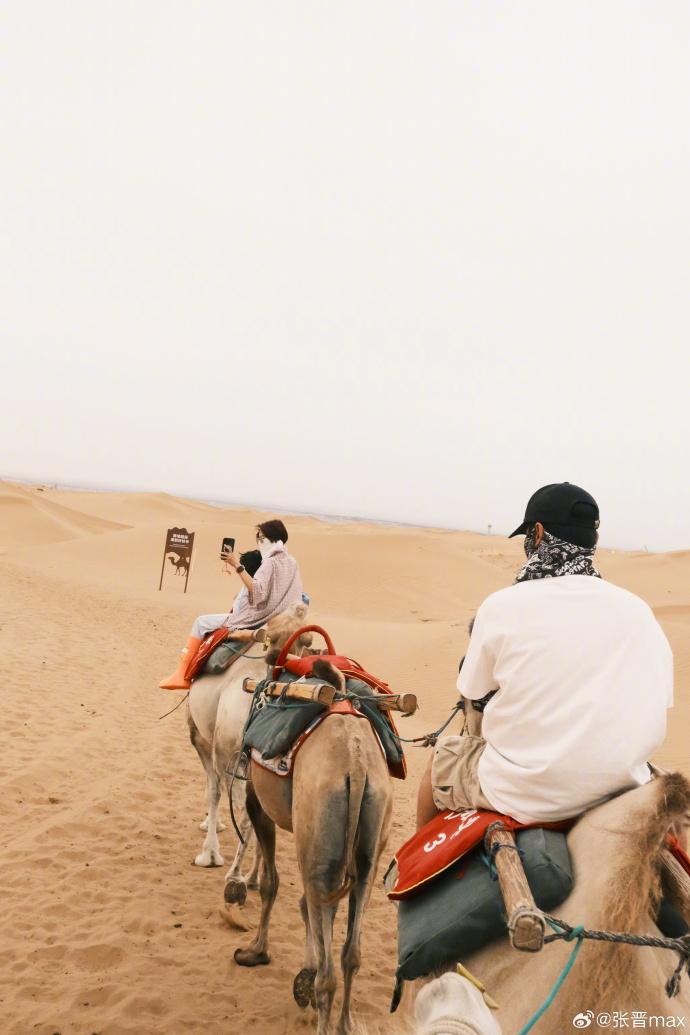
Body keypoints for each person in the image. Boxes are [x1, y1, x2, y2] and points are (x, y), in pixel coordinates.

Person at [416, 482, 674, 829]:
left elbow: (474, 691)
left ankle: (412, 879)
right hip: (623, 789)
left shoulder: (502, 605)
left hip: (521, 792)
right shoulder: (638, 610)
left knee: (438, 765)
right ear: (592, 541)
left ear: (536, 534)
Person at [159, 519, 304, 690]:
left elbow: (258, 594)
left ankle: (182, 674)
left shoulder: (269, 562)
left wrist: (236, 565)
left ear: (272, 538)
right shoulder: (291, 561)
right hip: (281, 621)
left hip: (257, 619)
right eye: (258, 537)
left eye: (262, 538)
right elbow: (297, 594)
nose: (259, 542)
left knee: (201, 622)